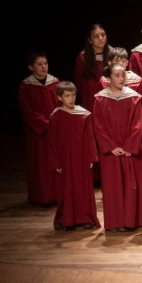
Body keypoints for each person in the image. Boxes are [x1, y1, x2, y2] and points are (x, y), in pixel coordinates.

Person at [92, 63, 142, 232]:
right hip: (111, 151)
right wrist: (111, 146)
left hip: (129, 149)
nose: (121, 78)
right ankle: (115, 222)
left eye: (123, 75)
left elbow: (137, 125)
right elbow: (98, 126)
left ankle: (132, 221)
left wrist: (128, 146)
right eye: (117, 75)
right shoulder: (100, 99)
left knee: (132, 184)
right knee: (113, 186)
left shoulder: (134, 97)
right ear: (108, 78)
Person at [48, 81, 99, 230]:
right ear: (59, 97)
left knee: (83, 188)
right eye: (67, 96)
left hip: (81, 158)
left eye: (73, 95)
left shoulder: (83, 114)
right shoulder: (56, 116)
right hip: (64, 159)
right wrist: (55, 161)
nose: (71, 99)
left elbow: (90, 137)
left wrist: (91, 157)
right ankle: (66, 219)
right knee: (66, 189)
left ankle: (86, 218)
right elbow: (52, 142)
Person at [19, 51, 60, 206]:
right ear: (31, 67)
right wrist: (44, 123)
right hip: (37, 132)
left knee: (56, 161)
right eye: (39, 64)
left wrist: (56, 122)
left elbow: (62, 104)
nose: (44, 67)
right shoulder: (26, 86)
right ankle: (41, 197)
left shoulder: (55, 82)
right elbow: (26, 110)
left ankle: (57, 194)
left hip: (55, 129)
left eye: (45, 63)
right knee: (39, 163)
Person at [73, 23, 110, 112]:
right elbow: (79, 81)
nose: (101, 38)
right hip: (90, 98)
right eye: (96, 36)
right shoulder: (83, 57)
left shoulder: (112, 54)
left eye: (103, 35)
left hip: (109, 96)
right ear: (90, 40)